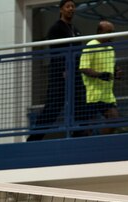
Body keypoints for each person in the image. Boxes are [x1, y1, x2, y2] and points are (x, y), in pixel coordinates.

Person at [27, 0, 86, 141]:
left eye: (73, 6)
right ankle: (34, 138)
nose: (71, 9)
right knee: (53, 107)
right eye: (68, 6)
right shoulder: (56, 29)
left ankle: (78, 133)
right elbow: (56, 52)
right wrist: (63, 70)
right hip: (60, 74)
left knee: (81, 103)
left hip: (75, 73)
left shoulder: (75, 29)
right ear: (61, 10)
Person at [79, 21, 119, 135]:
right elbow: (84, 68)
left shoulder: (110, 49)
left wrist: (116, 72)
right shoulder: (91, 45)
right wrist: (101, 75)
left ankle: (102, 143)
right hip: (92, 95)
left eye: (112, 32)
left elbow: (111, 67)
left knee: (114, 120)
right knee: (88, 128)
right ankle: (88, 148)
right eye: (109, 32)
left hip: (107, 94)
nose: (111, 35)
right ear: (100, 32)